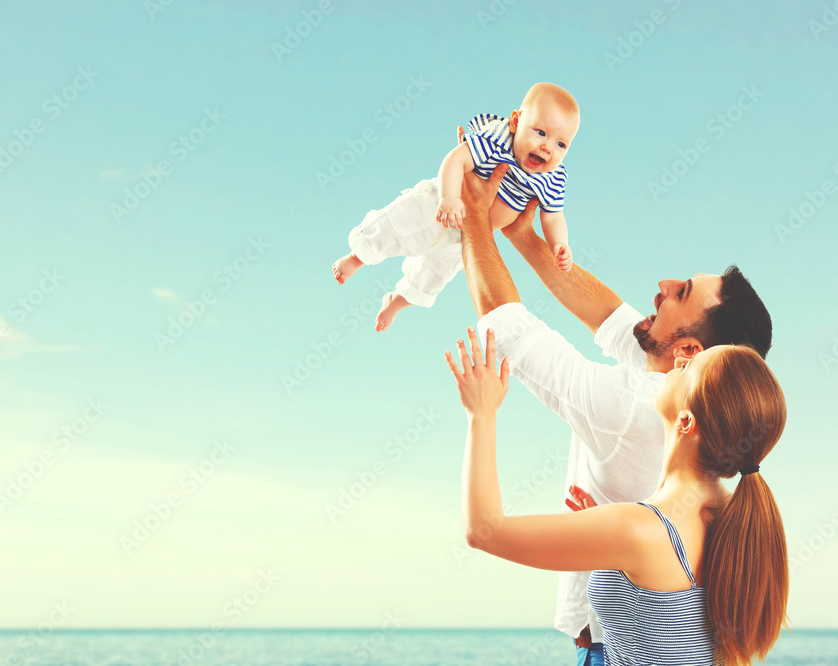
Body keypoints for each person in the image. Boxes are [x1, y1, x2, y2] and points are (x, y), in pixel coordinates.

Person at [455, 164, 774, 664]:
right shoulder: (723, 500)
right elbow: (611, 317)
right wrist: (522, 234)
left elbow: (484, 530)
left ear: (688, 354)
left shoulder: (636, 412)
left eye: (683, 292)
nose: (665, 285)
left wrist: (472, 213)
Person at [445, 328, 789, 665]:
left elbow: (483, 529)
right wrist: (611, 540)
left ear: (686, 422)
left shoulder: (641, 529)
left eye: (689, 368)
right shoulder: (739, 520)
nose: (681, 360)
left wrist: (481, 413)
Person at [332, 82, 579, 331]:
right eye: (540, 132)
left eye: (561, 144)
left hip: (466, 237)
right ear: (516, 122)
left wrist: (559, 244)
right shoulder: (497, 140)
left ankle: (395, 302)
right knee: (395, 225)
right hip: (439, 205)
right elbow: (456, 158)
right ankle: (358, 256)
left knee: (431, 279)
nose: (548, 147)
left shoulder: (553, 177)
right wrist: (449, 197)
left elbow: (553, 215)